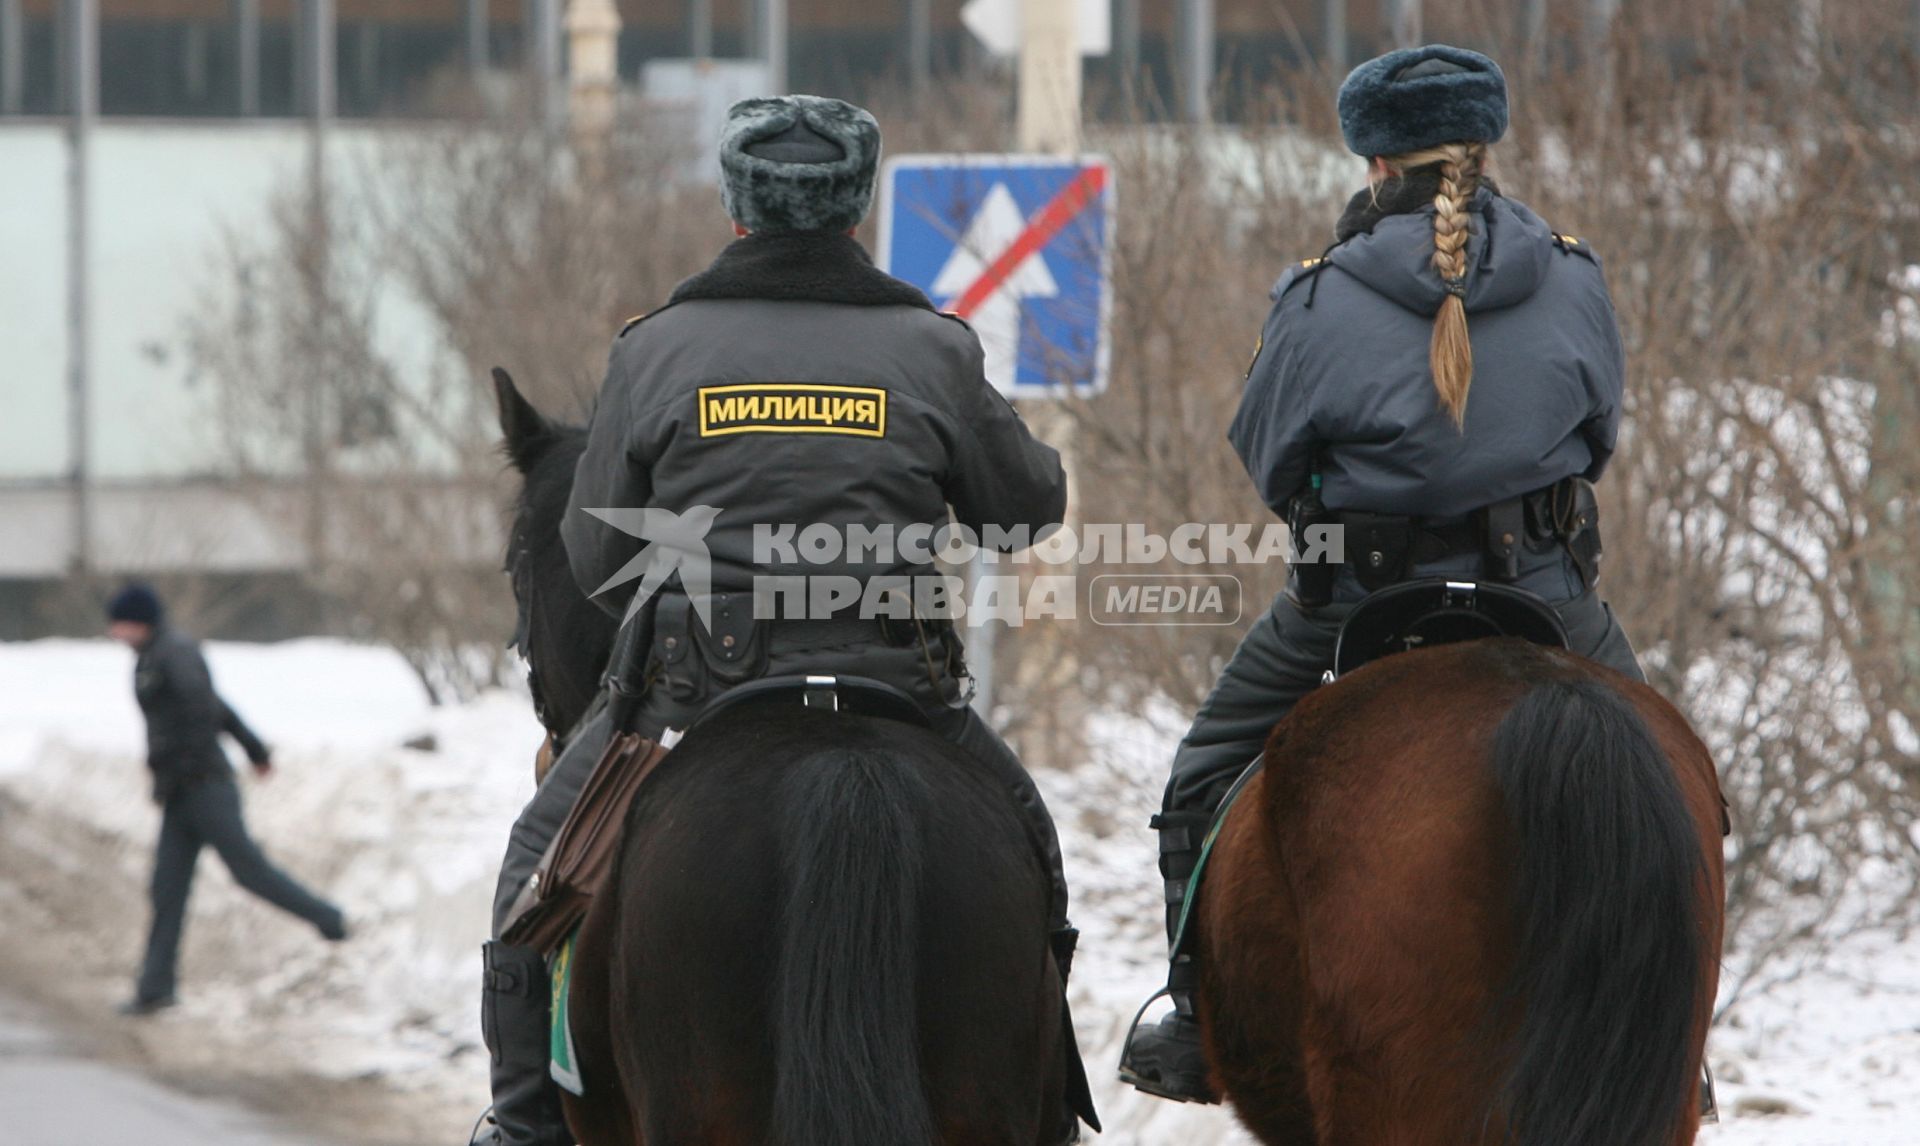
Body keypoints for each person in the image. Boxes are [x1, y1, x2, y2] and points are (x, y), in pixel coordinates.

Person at [471, 95, 1080, 1146]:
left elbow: (596, 554)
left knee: (534, 877)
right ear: (858, 208)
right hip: (904, 687)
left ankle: (522, 1123)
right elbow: (1025, 510)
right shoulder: (933, 347)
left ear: (737, 207)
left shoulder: (656, 349)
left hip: (696, 693)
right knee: (1032, 855)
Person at [1118, 45, 1645, 1103]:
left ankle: (1191, 1010)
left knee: (1206, 770)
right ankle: (1668, 1025)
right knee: (1674, 785)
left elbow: (1269, 459)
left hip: (1355, 604)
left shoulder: (1319, 296)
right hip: (1543, 596)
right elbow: (1597, 440)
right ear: (1482, 151)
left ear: (1374, 163)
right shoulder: (1574, 274)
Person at [105, 582, 348, 1016]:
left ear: (139, 620)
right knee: (167, 888)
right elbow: (218, 707)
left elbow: (206, 708)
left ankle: (329, 918)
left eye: (119, 623)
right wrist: (253, 750)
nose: (114, 633)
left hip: (204, 788)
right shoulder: (152, 656)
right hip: (180, 793)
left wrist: (231, 754)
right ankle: (155, 987)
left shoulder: (173, 653)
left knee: (248, 871)